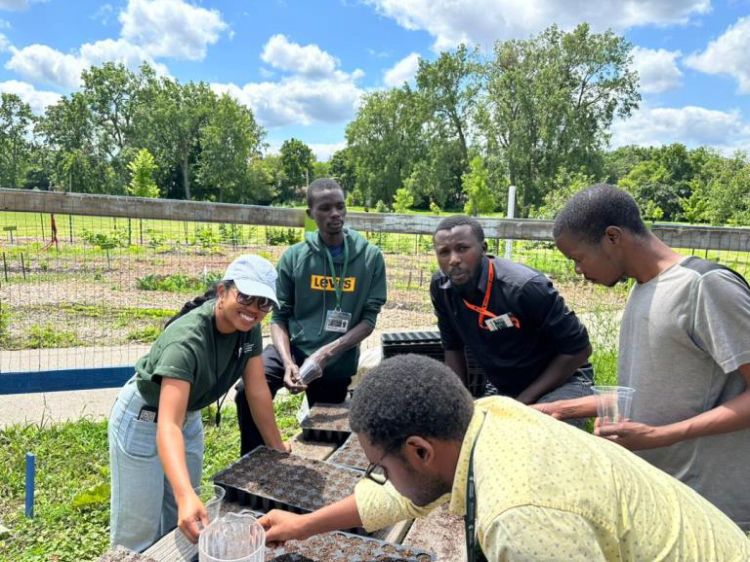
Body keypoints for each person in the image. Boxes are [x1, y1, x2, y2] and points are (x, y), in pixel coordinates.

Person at [259, 354, 750, 561]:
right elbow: (404, 497)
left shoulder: (519, 519)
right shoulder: (491, 416)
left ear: (420, 450)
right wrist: (303, 527)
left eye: (379, 469)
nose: (380, 479)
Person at [540, 183, 750, 530]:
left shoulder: (705, 286)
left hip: (715, 512)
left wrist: (662, 435)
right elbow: (650, 391)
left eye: (578, 258)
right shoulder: (643, 290)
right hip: (666, 499)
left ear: (612, 237)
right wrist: (558, 409)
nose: (578, 270)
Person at [108, 255, 289, 552]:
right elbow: (167, 425)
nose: (254, 309)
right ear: (222, 292)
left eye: (263, 303)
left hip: (187, 416)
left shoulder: (248, 327)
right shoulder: (187, 341)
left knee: (182, 517)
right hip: (145, 418)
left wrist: (278, 449)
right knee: (138, 526)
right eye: (244, 297)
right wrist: (184, 497)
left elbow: (257, 391)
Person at [234, 178, 387, 455]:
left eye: (340, 207)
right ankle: (253, 460)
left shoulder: (369, 258)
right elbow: (279, 317)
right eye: (325, 208)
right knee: (248, 391)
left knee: (326, 433)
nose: (335, 214)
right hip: (294, 348)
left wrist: (326, 354)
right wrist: (289, 361)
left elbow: (368, 320)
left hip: (337, 359)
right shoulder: (295, 257)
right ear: (310, 214)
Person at [430, 215, 593, 422]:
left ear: (483, 248)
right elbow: (452, 348)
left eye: (462, 248)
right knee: (477, 435)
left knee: (541, 435)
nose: (453, 259)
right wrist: (462, 405)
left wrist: (522, 403)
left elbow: (580, 349)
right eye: (444, 252)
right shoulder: (441, 288)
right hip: (504, 386)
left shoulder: (524, 287)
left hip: (563, 382)